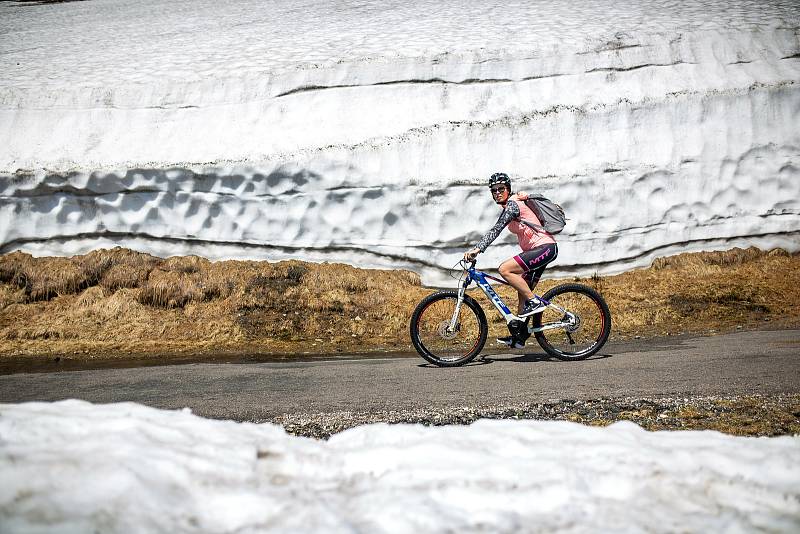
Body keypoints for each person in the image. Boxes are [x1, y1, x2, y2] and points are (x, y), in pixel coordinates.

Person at [463, 172, 558, 348]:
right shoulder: (509, 205)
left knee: (505, 270)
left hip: (544, 248)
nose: (497, 193)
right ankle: (519, 337)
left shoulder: (513, 204)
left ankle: (535, 302)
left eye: (501, 189)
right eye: (494, 190)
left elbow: (497, 228)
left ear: (508, 189)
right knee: (522, 293)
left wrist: (478, 249)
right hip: (540, 250)